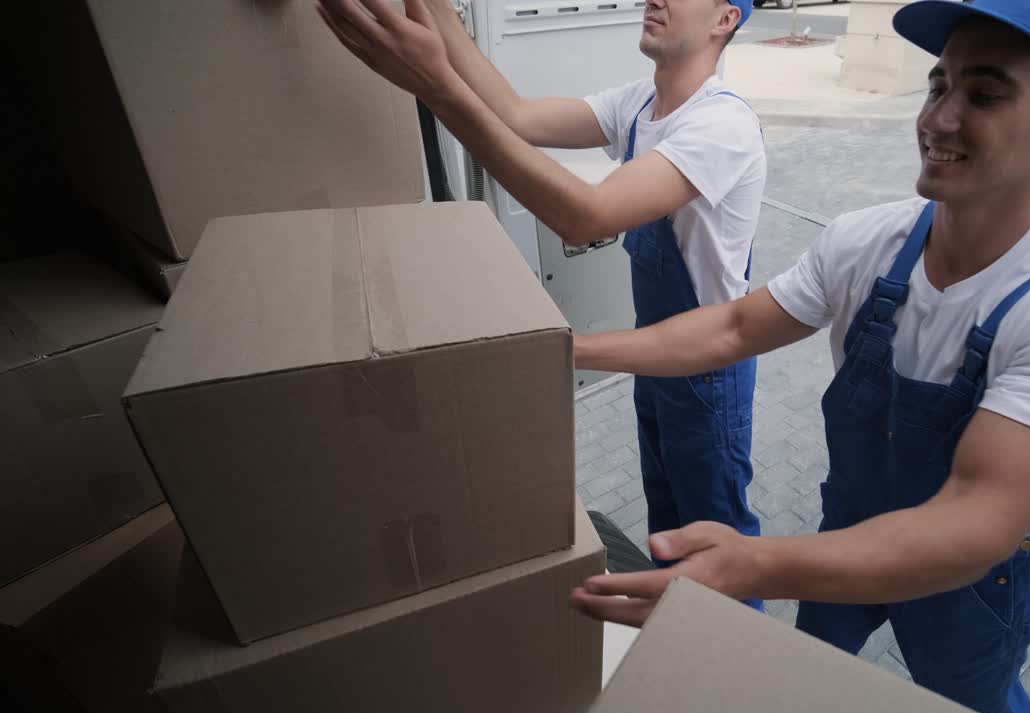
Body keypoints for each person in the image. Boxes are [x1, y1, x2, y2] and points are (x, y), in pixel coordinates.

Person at [568, 1, 1030, 713]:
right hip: (846, 538)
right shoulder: (866, 243)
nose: (938, 119)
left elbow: (975, 522)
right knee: (815, 680)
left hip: (972, 588)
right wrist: (564, 352)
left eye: (984, 93)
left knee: (971, 705)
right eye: (939, 85)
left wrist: (754, 563)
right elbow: (730, 327)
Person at [316, 0, 768, 607]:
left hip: (707, 379)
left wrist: (438, 89)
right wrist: (439, 14)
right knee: (669, 537)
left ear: (724, 21)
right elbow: (517, 116)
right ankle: (681, 641)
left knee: (719, 559)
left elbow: (586, 217)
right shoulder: (639, 104)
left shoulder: (721, 127)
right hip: (656, 365)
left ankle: (740, 670)